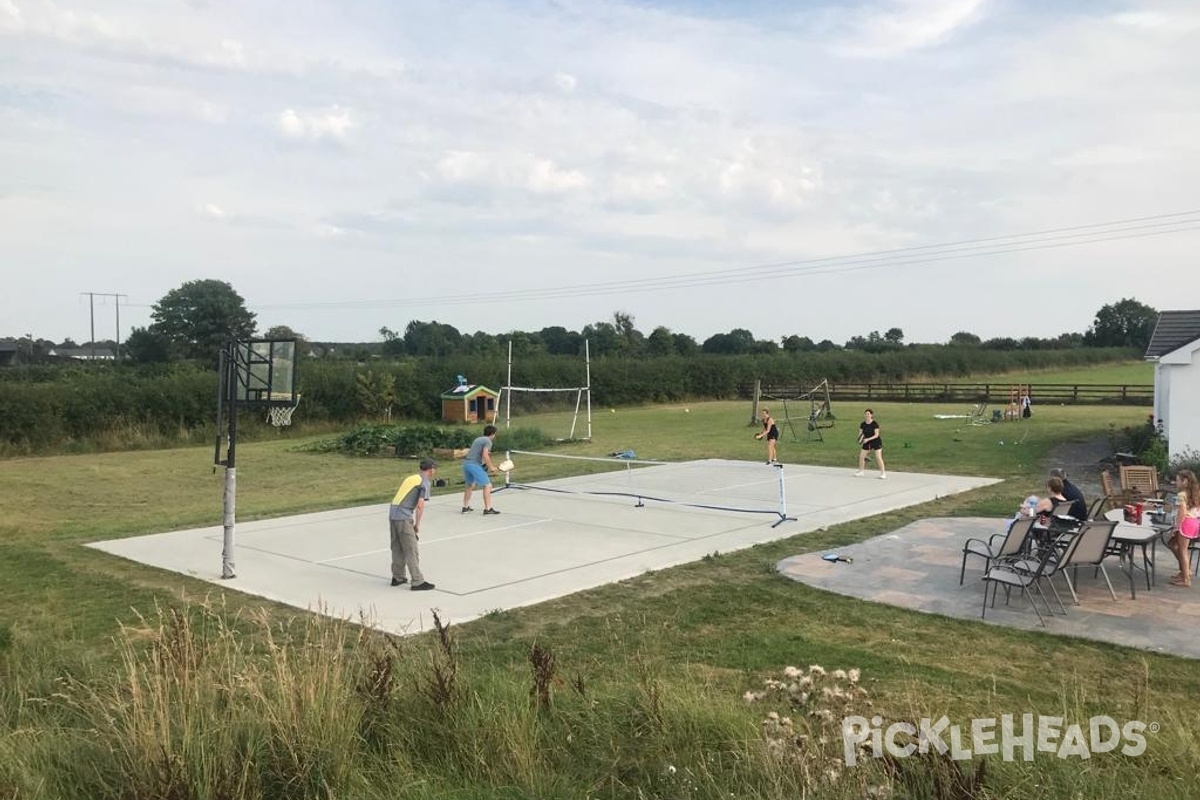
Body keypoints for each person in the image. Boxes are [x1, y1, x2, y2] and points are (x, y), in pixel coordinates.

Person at [389, 458, 436, 590]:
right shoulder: (424, 482)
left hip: (393, 514)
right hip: (404, 516)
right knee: (411, 548)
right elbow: (420, 506)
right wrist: (417, 524)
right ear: (431, 469)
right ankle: (417, 581)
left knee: (397, 546)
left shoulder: (411, 478)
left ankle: (398, 577)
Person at [1167, 470, 1200, 588]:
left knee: (1182, 550)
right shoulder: (1196, 493)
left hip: (1186, 523)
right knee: (1172, 544)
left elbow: (1182, 512)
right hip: (1195, 522)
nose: (1176, 483)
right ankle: (1184, 571)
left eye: (1177, 480)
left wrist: (1176, 527)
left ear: (1185, 481)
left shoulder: (1182, 495)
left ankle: (1186, 578)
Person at [462, 424, 501, 515]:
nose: (494, 436)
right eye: (494, 434)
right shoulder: (488, 441)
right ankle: (488, 508)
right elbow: (485, 455)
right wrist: (491, 467)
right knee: (487, 485)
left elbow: (477, 452)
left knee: (470, 485)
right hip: (474, 465)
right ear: (492, 434)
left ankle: (465, 507)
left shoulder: (478, 439)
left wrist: (484, 463)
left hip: (466, 464)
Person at [855, 409, 886, 479]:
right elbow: (860, 434)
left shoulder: (875, 424)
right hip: (866, 442)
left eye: (868, 414)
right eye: (866, 414)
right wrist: (861, 439)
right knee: (861, 456)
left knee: (878, 457)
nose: (867, 415)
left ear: (871, 415)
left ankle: (883, 473)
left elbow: (876, 435)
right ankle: (861, 471)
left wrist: (867, 439)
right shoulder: (862, 424)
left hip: (876, 441)